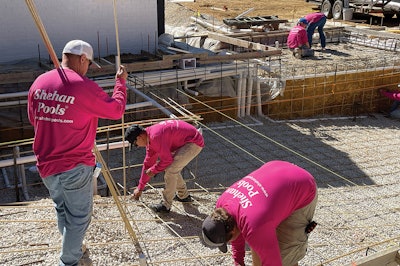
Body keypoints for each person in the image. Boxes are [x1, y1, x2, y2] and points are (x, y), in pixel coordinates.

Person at [27, 39, 128, 266]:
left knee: (62, 209)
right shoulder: (83, 86)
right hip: (74, 165)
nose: (88, 69)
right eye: (89, 64)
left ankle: (72, 245)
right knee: (79, 218)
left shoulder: (39, 82)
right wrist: (120, 83)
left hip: (46, 165)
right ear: (82, 59)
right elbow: (116, 110)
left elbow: (35, 120)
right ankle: (69, 260)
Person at [202, 160, 318, 266]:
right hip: (277, 168)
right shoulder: (222, 205)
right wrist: (238, 262)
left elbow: (274, 263)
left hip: (303, 187)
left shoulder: (254, 226)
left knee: (286, 255)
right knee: (260, 240)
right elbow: (236, 230)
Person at [126, 119, 204, 213]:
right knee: (172, 168)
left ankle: (166, 205)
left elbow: (167, 160)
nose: (137, 146)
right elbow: (147, 165)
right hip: (187, 140)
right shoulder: (150, 137)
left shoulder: (155, 137)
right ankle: (184, 196)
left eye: (135, 144)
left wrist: (154, 170)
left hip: (194, 142)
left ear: (139, 137)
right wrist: (140, 187)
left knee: (171, 170)